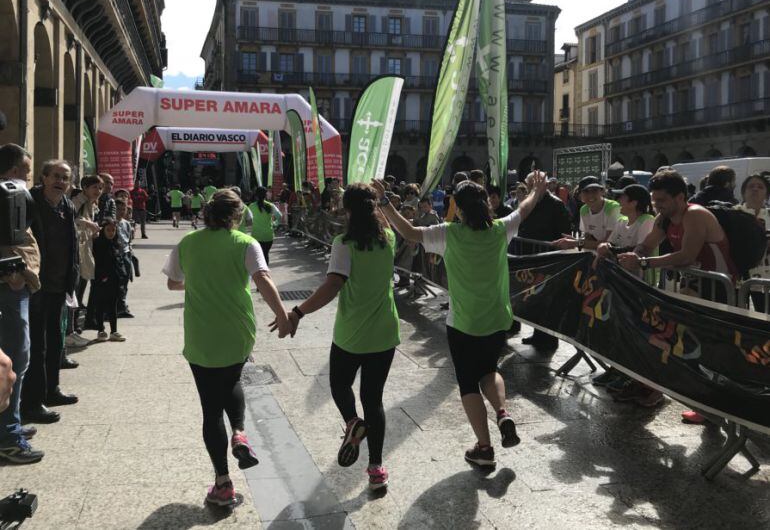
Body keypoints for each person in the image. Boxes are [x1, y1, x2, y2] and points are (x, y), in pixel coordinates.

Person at [373, 173, 548, 468]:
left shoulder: (448, 233)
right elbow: (525, 209)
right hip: (497, 319)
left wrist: (386, 202)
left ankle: (484, 448)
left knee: (468, 383)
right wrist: (537, 191)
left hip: (464, 323)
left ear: (460, 208)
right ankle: (503, 412)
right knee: (489, 370)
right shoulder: (500, 229)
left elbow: (409, 232)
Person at [163, 189, 292, 506]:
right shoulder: (246, 244)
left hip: (201, 334)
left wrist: (197, 280)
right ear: (236, 215)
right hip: (238, 330)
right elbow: (262, 279)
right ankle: (239, 432)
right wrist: (283, 315)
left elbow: (172, 282)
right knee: (233, 379)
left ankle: (222, 483)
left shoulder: (188, 243)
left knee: (210, 408)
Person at [283, 184, 400, 490]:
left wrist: (297, 312)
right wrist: (382, 200)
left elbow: (333, 285)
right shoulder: (388, 238)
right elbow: (384, 222)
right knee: (373, 400)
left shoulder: (343, 243)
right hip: (385, 333)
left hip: (352, 334)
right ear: (373, 207)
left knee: (338, 384)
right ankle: (376, 470)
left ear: (347, 210)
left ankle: (352, 422)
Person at [618, 170, 737, 424]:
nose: (656, 205)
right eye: (654, 199)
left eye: (661, 200)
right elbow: (648, 243)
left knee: (706, 348)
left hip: (718, 288)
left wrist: (643, 262)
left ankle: (712, 408)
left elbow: (685, 255)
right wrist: (636, 253)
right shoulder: (664, 217)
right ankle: (668, 391)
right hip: (695, 285)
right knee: (676, 336)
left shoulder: (695, 215)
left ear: (680, 197)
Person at [23, 160, 79, 424]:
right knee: (37, 345)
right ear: (43, 177)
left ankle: (51, 389)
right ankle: (33, 401)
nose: (61, 181)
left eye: (65, 178)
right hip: (36, 286)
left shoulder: (66, 205)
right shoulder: (30, 202)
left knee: (56, 341)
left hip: (59, 284)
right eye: (56, 176)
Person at [595, 185, 662, 408]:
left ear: (633, 202)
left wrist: (610, 249)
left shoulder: (647, 221)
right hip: (620, 283)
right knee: (618, 328)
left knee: (638, 332)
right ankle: (619, 370)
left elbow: (639, 250)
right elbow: (611, 243)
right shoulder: (622, 221)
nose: (619, 201)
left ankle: (638, 379)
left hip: (640, 285)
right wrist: (605, 246)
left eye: (622, 198)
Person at [0, 144, 44, 462]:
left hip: (19, 287)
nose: (28, 177)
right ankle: (8, 435)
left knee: (18, 361)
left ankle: (10, 422)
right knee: (13, 361)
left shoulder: (12, 196)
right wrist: (16, 272)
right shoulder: (10, 195)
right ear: (13, 170)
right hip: (11, 288)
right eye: (26, 171)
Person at [514, 172, 572, 348]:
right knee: (532, 298)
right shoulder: (528, 203)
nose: (533, 188)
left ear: (546, 185)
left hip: (548, 260)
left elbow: (564, 232)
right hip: (529, 258)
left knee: (546, 298)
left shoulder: (556, 204)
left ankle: (548, 339)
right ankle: (536, 334)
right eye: (530, 184)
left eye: (536, 184)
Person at [70, 175, 103, 345]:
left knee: (81, 288)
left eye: (100, 188)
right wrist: (88, 225)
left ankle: (74, 328)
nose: (98, 191)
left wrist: (93, 231)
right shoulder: (79, 200)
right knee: (75, 291)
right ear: (85, 188)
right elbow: (69, 218)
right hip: (76, 251)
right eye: (94, 187)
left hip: (85, 249)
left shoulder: (92, 204)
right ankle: (71, 330)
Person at [555, 176, 620, 250]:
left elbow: (606, 244)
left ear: (602, 192)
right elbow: (588, 239)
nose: (590, 195)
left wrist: (575, 242)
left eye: (594, 190)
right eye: (586, 191)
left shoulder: (613, 207)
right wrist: (575, 240)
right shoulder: (584, 209)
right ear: (580, 195)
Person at [736, 174, 770, 312]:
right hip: (738, 277)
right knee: (738, 318)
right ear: (743, 193)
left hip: (765, 278)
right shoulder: (734, 214)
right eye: (751, 186)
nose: (755, 189)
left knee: (765, 317)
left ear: (767, 195)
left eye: (760, 187)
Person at [92, 218, 128, 342]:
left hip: (115, 280)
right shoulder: (97, 243)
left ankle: (114, 331)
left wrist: (122, 277)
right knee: (100, 305)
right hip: (101, 280)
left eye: (113, 230)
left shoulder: (116, 243)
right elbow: (97, 263)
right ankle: (101, 330)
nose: (111, 232)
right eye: (108, 230)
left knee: (113, 306)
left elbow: (119, 261)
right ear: (103, 230)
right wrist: (103, 278)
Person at [245, 187, 282, 266]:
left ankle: (260, 275)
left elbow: (246, 219)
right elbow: (279, 216)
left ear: (256, 195)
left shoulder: (251, 206)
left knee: (258, 257)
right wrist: (275, 224)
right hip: (268, 236)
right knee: (265, 255)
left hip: (256, 236)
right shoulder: (270, 205)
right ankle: (266, 272)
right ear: (265, 195)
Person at [115, 199, 135, 318]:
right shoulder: (111, 223)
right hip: (116, 256)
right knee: (117, 283)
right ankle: (115, 307)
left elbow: (129, 240)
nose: (121, 212)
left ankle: (122, 307)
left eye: (124, 209)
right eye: (119, 209)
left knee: (125, 281)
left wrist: (130, 253)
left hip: (126, 254)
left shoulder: (126, 223)